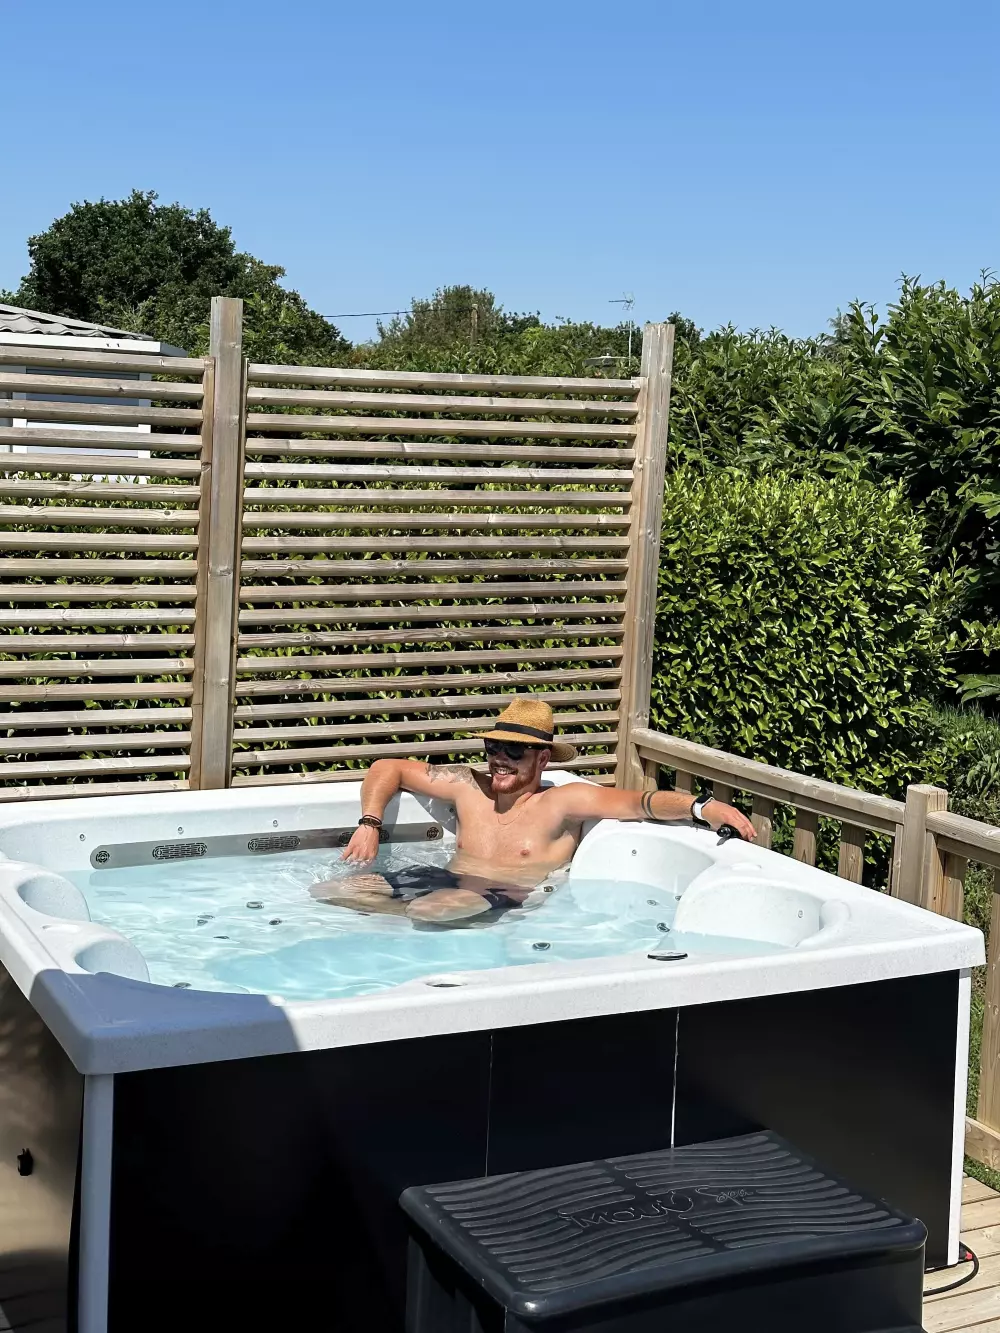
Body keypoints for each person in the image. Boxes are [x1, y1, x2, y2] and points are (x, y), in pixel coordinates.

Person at [310, 697, 756, 924]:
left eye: (514, 752)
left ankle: (412, 918)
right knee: (330, 891)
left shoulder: (562, 802)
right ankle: (408, 916)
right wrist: (370, 823)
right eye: (494, 748)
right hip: (444, 878)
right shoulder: (468, 786)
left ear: (542, 759)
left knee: (430, 913)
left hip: (506, 892)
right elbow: (387, 767)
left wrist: (702, 806)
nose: (499, 760)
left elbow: (640, 804)